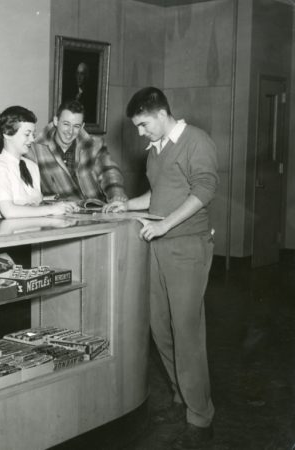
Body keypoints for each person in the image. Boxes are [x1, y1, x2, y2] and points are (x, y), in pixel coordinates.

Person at [107, 87, 218, 448]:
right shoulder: (156, 151)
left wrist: (166, 224)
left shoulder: (195, 140)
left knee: (186, 331)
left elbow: (204, 190)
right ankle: (180, 393)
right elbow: (158, 195)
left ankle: (200, 413)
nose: (140, 133)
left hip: (187, 247)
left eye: (143, 125)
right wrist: (128, 206)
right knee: (160, 327)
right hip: (158, 245)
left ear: (159, 114)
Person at [0, 106, 76, 219]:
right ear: (7, 134)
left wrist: (62, 205)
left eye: (33, 134)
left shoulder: (31, 166)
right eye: (27, 134)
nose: (32, 139)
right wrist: (51, 209)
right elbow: (9, 212)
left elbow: (34, 204)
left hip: (29, 230)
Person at [28, 100, 127, 205]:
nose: (70, 131)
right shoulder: (35, 149)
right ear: (56, 121)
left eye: (76, 126)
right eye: (66, 124)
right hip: (59, 213)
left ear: (82, 126)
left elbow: (109, 173)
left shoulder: (95, 144)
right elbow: (29, 190)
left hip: (96, 210)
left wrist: (116, 195)